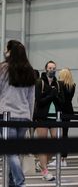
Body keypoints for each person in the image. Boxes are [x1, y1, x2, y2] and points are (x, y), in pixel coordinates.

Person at [0, 40, 36, 187]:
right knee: (15, 152)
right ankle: (11, 184)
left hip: (7, 115)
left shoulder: (3, 69)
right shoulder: (30, 71)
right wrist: (30, 118)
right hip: (24, 116)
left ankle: (20, 183)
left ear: (10, 52)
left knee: (10, 152)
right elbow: (31, 98)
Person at [33, 60, 64, 181]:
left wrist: (55, 95)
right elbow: (39, 101)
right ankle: (45, 171)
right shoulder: (39, 82)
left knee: (55, 144)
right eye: (50, 68)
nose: (52, 70)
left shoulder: (58, 84)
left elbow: (62, 101)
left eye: (54, 68)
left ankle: (41, 164)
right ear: (46, 69)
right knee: (43, 144)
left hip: (55, 117)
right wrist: (50, 94)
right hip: (42, 117)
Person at [48, 68, 76, 167]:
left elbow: (58, 98)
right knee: (65, 134)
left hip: (60, 111)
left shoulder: (59, 84)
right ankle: (63, 158)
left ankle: (58, 157)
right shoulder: (72, 85)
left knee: (58, 135)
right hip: (69, 111)